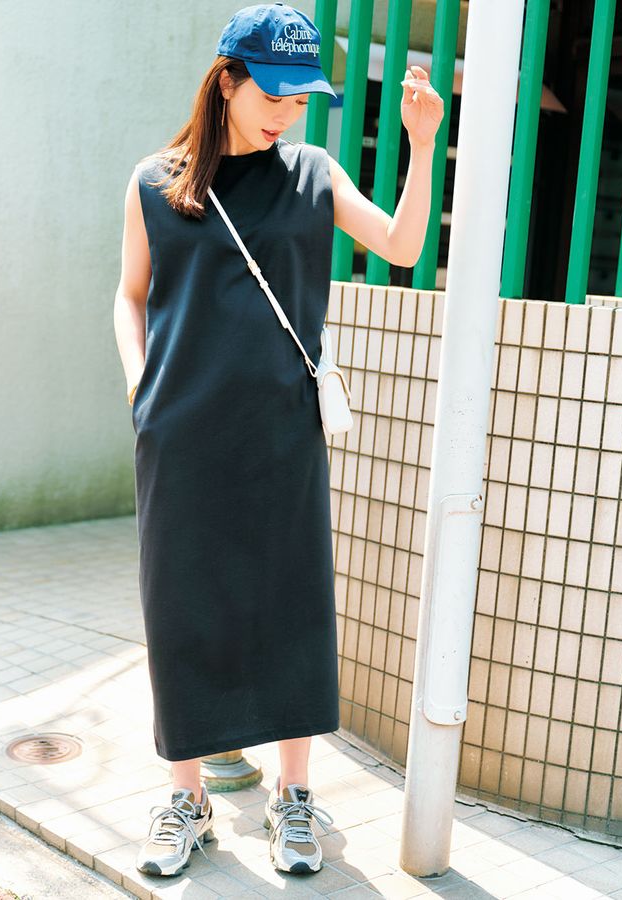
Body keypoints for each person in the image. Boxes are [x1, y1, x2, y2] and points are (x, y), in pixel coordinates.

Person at [113, 0, 442, 880]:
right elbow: (129, 294)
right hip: (181, 438)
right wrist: (141, 387)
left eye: (301, 100)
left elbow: (402, 246)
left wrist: (420, 147)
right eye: (273, 94)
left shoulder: (313, 173)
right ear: (226, 81)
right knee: (182, 612)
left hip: (282, 435)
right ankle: (187, 800)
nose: (287, 114)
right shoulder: (155, 183)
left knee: (291, 608)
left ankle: (294, 796)